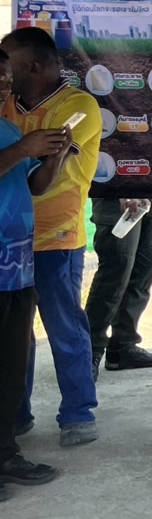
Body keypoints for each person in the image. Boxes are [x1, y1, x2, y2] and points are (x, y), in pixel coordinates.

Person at [2, 27, 103, 448]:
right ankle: (16, 415)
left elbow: (44, 172)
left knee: (64, 327)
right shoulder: (8, 106)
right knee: (14, 334)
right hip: (10, 242)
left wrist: (28, 150)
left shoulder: (78, 106)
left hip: (56, 237)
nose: (4, 77)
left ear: (32, 66)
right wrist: (24, 148)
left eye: (8, 67)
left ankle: (78, 414)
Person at [0, 48, 69, 496]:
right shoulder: (14, 137)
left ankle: (6, 453)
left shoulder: (8, 129)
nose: (3, 89)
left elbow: (35, 186)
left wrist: (53, 157)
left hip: (17, 269)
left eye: (6, 81)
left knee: (11, 367)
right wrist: (24, 148)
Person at [85, 198, 152, 378]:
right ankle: (88, 351)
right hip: (118, 194)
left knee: (144, 271)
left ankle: (123, 346)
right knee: (115, 273)